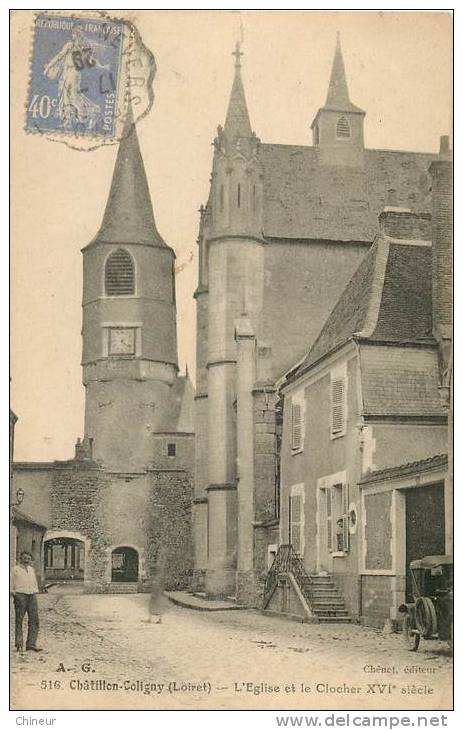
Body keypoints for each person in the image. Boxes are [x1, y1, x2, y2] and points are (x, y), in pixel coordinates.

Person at [11, 551, 42, 653]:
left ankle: (31, 644)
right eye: (25, 558)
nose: (26, 560)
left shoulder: (31, 569)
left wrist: (35, 591)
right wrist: (13, 592)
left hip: (31, 595)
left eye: (28, 559)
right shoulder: (15, 570)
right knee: (19, 620)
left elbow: (34, 582)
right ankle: (19, 644)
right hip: (20, 595)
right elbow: (9, 582)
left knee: (34, 620)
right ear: (21, 558)